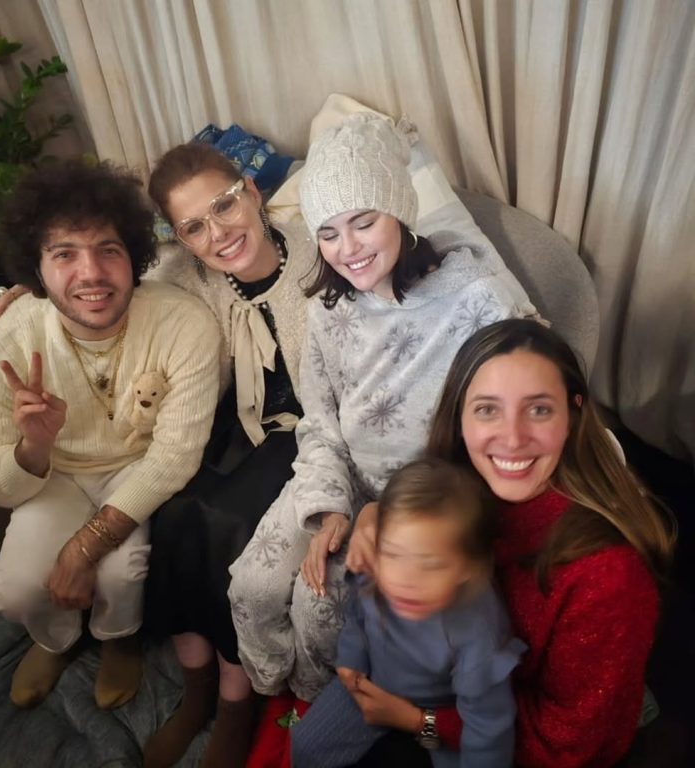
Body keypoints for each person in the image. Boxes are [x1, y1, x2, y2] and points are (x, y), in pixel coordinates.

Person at [0, 142, 316, 767]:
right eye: (193, 226)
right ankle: (196, 685)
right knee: (177, 516)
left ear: (252, 191)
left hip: (309, 434)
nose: (217, 233)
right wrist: (28, 288)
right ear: (177, 238)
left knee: (227, 528)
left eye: (225, 205)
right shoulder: (186, 274)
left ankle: (235, 701)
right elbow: (102, 281)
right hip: (237, 427)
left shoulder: (322, 254)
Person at [226, 112, 538, 764]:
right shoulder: (328, 309)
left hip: (426, 504)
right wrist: (328, 508)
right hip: (338, 477)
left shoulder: (475, 300)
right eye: (328, 233)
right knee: (250, 588)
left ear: (399, 210)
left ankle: (320, 707)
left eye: (364, 221)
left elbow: (521, 424)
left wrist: (377, 517)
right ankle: (268, 694)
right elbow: (319, 423)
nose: (348, 248)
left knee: (318, 605)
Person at [347, 318, 675, 767]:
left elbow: (564, 747)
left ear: (573, 414)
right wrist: (375, 515)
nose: (513, 438)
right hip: (441, 688)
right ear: (460, 418)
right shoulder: (459, 488)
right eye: (487, 410)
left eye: (539, 409)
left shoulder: (609, 577)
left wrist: (421, 721)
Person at [0, 160, 221, 712]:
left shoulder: (184, 323)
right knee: (15, 591)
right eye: (64, 254)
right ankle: (55, 639)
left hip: (137, 464)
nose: (91, 274)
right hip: (52, 474)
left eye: (108, 249)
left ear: (134, 254)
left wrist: (86, 545)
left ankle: (117, 639)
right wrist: (32, 447)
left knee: (122, 574)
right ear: (34, 269)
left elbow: (174, 456)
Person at [291, 458, 525, 768]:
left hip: (442, 715)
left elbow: (487, 731)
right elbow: (358, 615)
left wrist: (427, 725)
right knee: (305, 746)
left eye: (431, 565)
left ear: (467, 569)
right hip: (373, 685)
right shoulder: (377, 570)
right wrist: (351, 658)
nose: (406, 580)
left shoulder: (478, 630)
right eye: (393, 554)